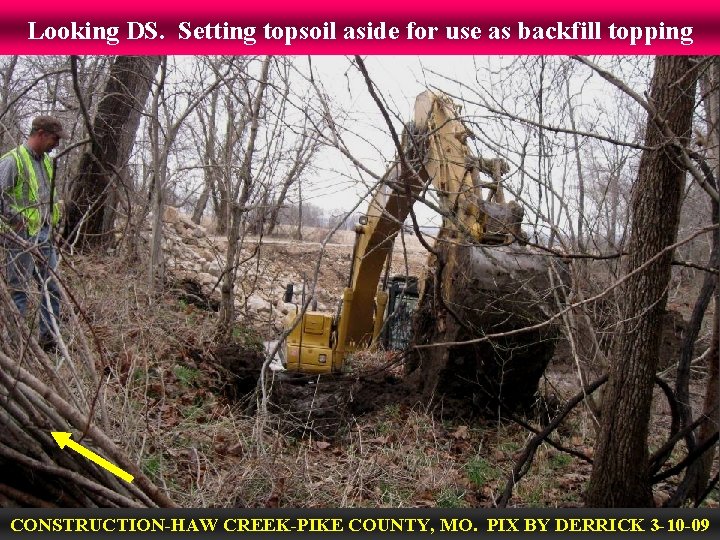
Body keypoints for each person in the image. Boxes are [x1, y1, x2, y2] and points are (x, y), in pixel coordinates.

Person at [0, 116, 67, 352]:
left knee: (52, 287)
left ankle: (48, 339)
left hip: (44, 235)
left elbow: (47, 197)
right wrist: (16, 223)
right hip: (20, 238)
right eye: (54, 138)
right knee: (18, 291)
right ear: (40, 133)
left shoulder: (46, 162)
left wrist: (55, 216)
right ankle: (14, 348)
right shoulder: (12, 161)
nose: (56, 144)